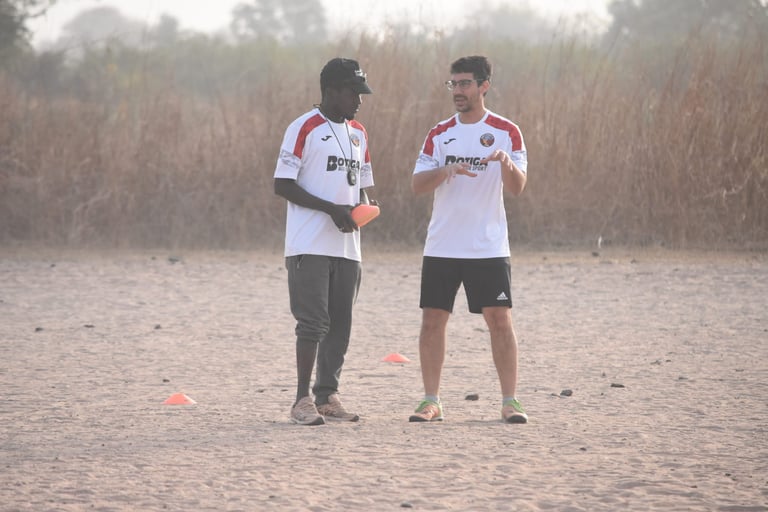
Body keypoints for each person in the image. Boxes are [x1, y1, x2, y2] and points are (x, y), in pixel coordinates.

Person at [408, 55, 529, 424]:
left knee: (500, 321)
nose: (457, 91)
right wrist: (444, 170)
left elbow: (518, 187)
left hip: (488, 246)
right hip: (443, 244)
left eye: (464, 84)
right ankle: (432, 400)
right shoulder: (439, 133)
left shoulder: (508, 131)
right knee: (432, 320)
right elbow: (416, 186)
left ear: (484, 86)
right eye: (453, 84)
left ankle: (510, 402)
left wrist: (506, 164)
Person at [274, 57, 376, 425]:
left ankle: (327, 396)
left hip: (348, 247)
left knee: (340, 324)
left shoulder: (359, 133)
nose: (359, 101)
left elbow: (361, 188)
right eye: (353, 92)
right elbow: (282, 184)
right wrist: (331, 210)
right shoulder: (303, 128)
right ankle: (302, 400)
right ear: (331, 91)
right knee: (313, 323)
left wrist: (365, 208)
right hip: (309, 244)